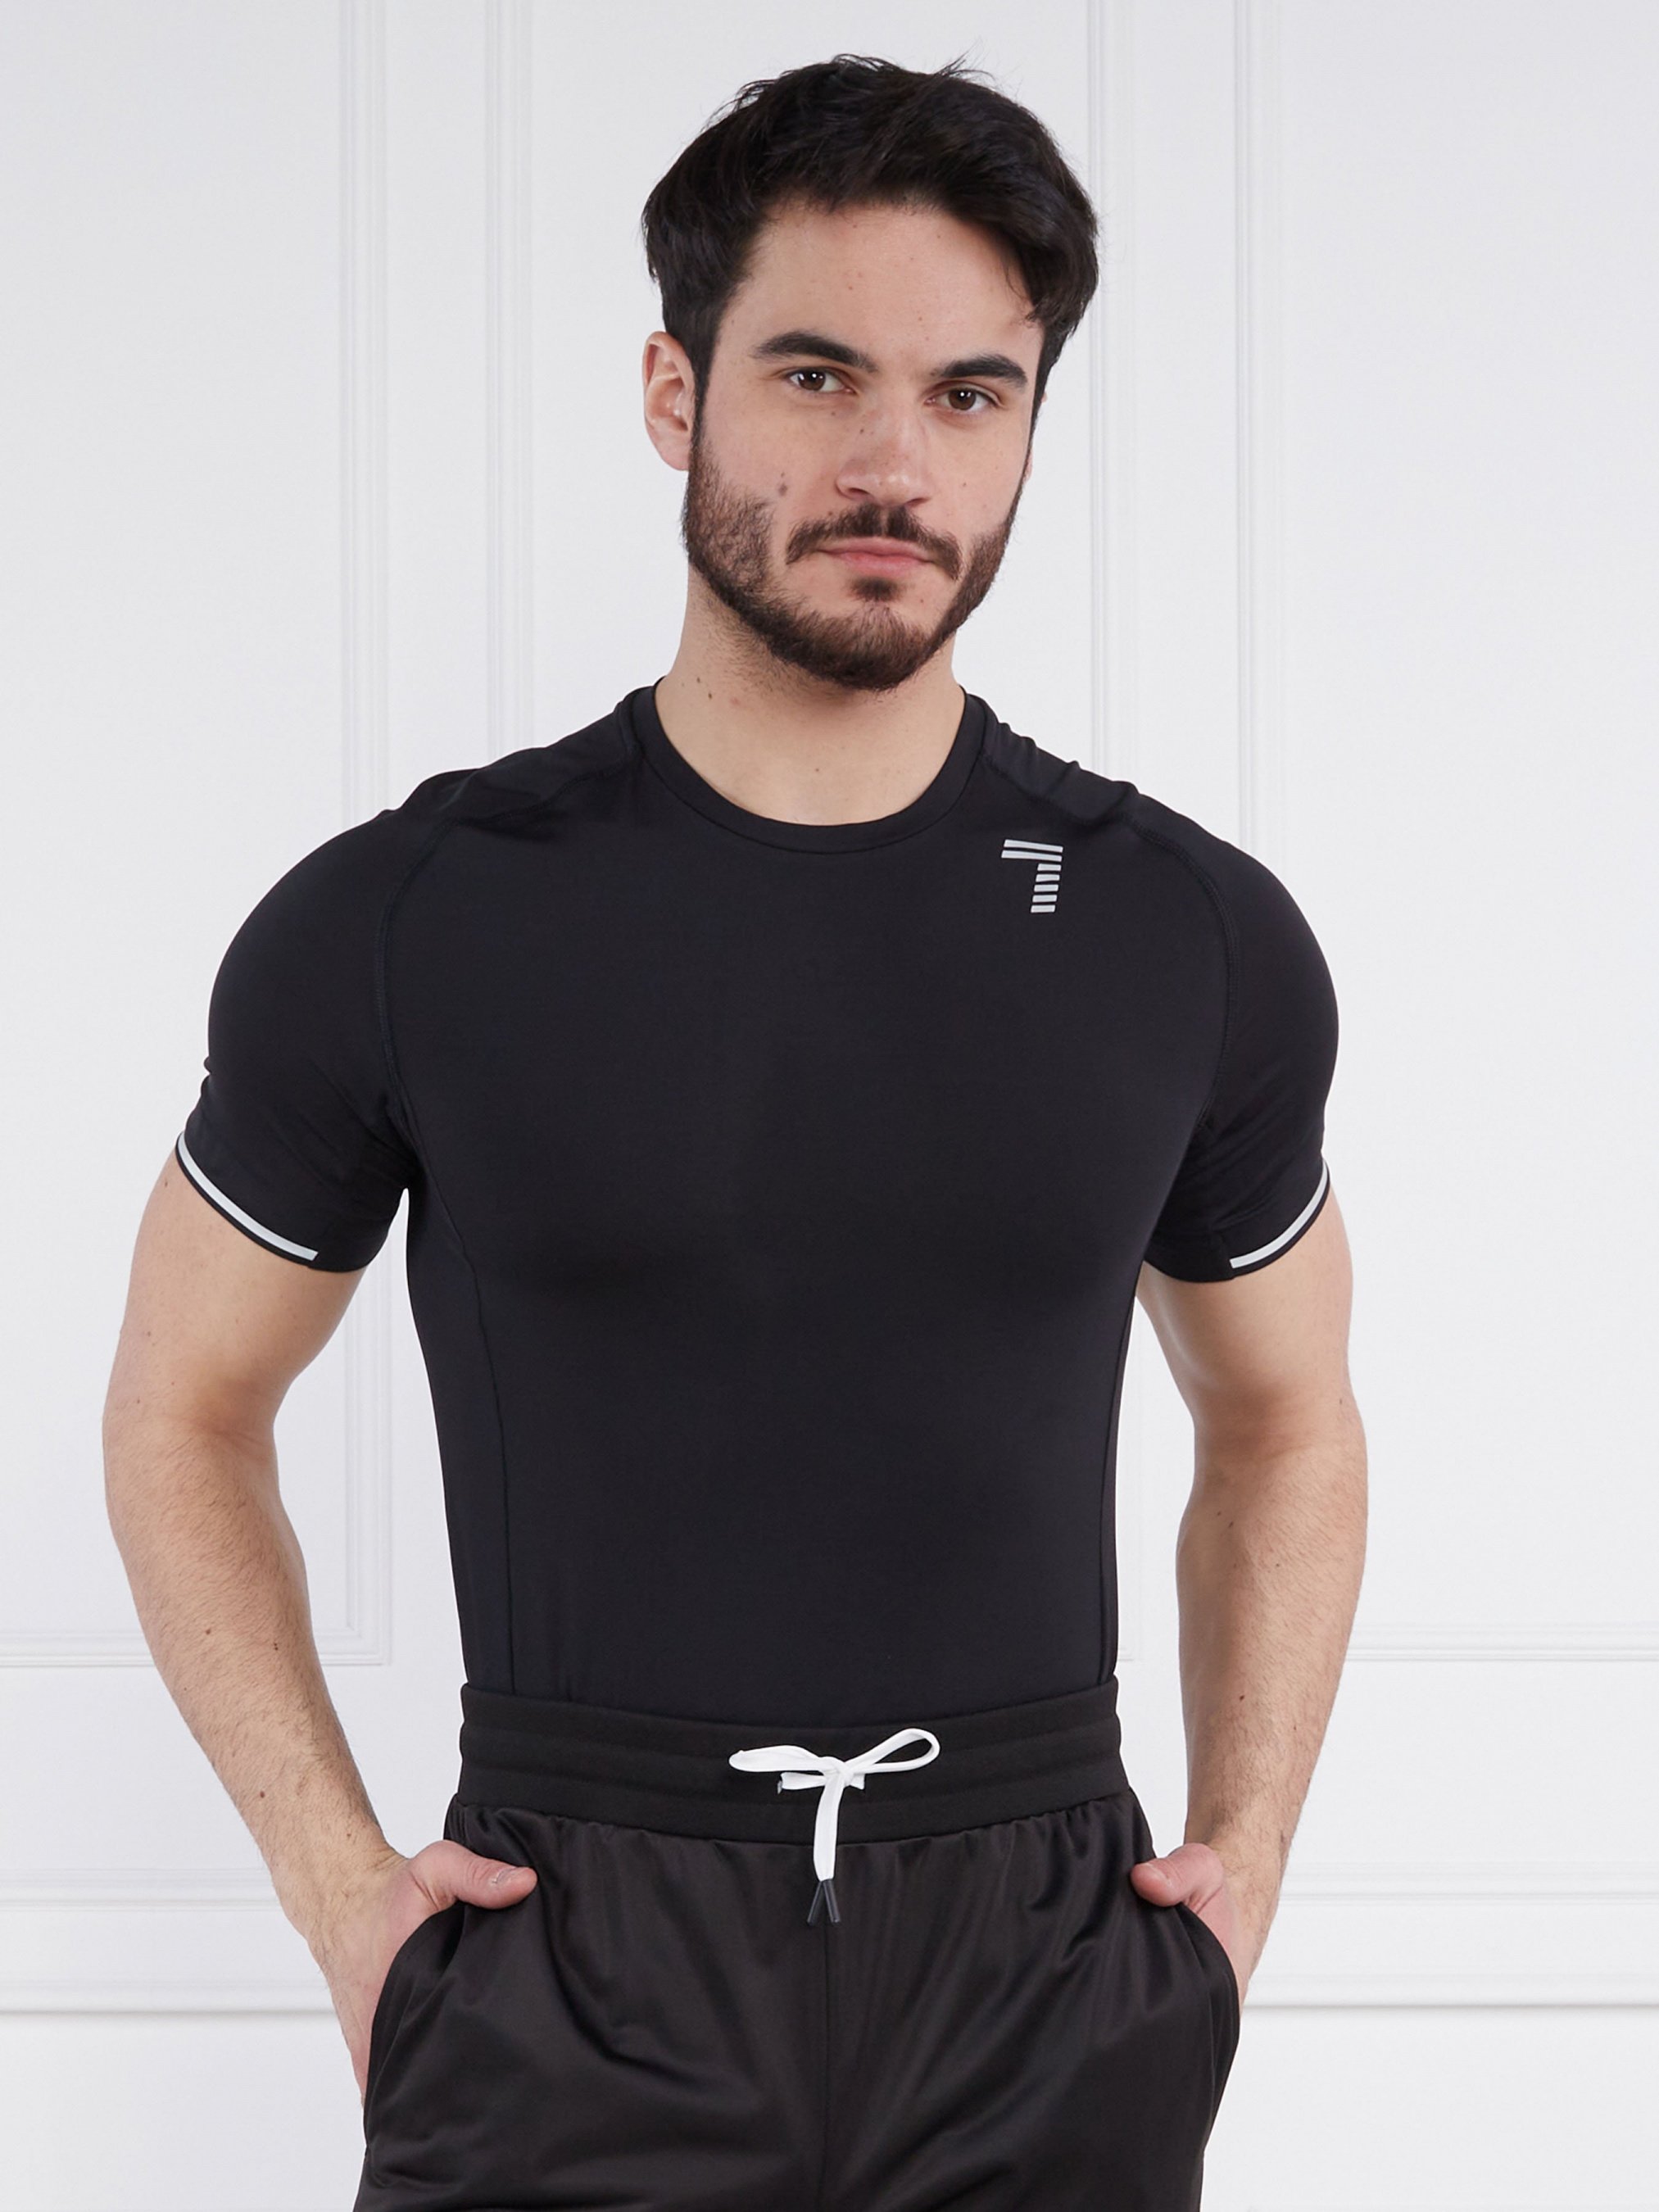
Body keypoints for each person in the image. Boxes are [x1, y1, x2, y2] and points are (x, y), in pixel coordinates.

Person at [104, 50, 1367, 2212]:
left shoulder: (1183, 931)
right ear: (673, 391)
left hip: (1047, 1971)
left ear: (1030, 425)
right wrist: (343, 1900)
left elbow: (1287, 1420)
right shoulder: (412, 918)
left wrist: (1235, 1877)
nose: (895, 464)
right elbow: (181, 1410)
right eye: (816, 374)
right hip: (570, 1960)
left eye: (970, 393)